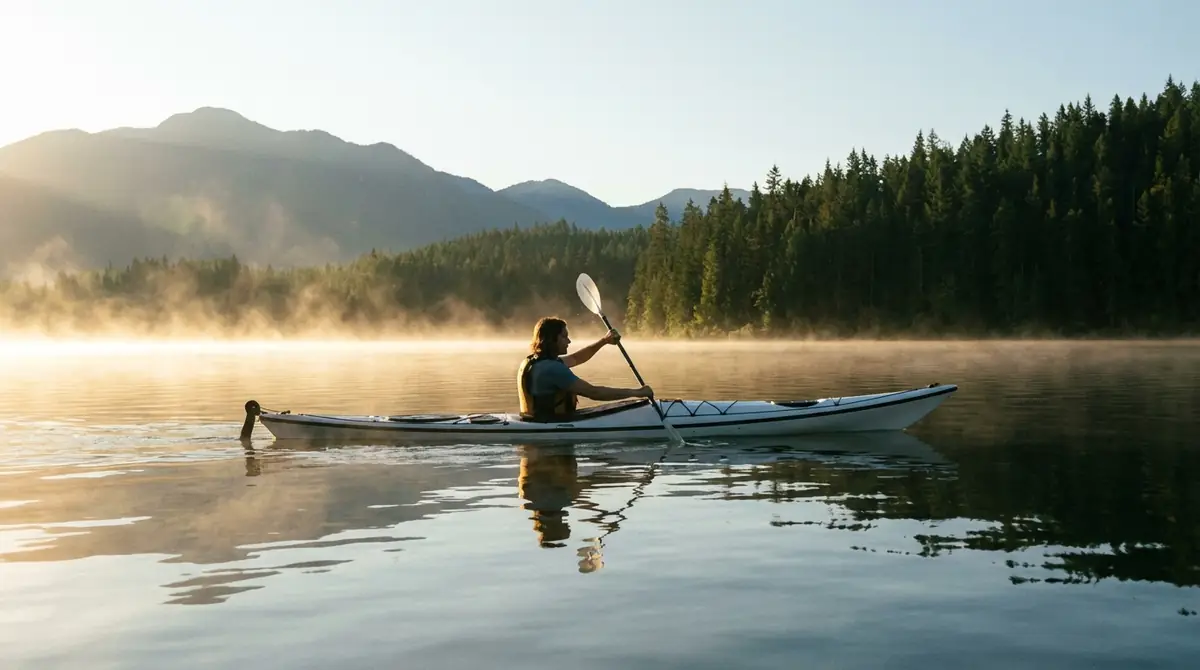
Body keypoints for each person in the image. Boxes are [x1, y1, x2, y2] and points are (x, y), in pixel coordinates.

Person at [517, 316, 653, 421]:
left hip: (536, 420)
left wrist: (604, 341)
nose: (569, 341)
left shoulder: (537, 362)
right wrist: (638, 393)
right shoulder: (552, 369)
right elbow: (594, 393)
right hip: (551, 423)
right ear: (551, 339)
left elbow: (576, 358)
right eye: (564, 337)